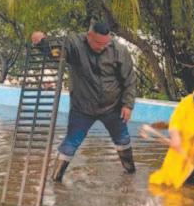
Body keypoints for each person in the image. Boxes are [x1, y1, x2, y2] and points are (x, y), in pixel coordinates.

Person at [32, 21, 136, 182]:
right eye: (98, 43)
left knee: (123, 140)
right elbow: (56, 50)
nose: (102, 47)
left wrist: (128, 105)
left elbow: (129, 80)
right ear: (89, 36)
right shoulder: (74, 44)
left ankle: (130, 174)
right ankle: (55, 180)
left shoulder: (119, 50)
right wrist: (41, 42)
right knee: (71, 142)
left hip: (112, 107)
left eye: (106, 43)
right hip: (82, 108)